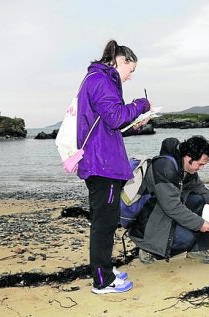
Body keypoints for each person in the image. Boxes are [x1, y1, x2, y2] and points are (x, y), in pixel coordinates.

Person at [77, 40, 151, 294]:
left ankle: (105, 270)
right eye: (132, 70)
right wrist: (140, 105)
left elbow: (109, 126)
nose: (130, 77)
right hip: (102, 166)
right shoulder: (100, 80)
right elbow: (116, 116)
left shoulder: (99, 80)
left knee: (106, 222)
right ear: (122, 61)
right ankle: (102, 280)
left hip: (103, 161)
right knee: (104, 224)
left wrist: (134, 124)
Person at [129, 136, 209, 264]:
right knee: (187, 239)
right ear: (189, 158)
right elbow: (172, 207)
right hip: (147, 222)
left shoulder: (185, 167)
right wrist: (200, 224)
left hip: (164, 211)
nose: (201, 168)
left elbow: (197, 186)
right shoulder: (164, 168)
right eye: (200, 164)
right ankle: (147, 248)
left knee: (199, 200)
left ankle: (197, 251)